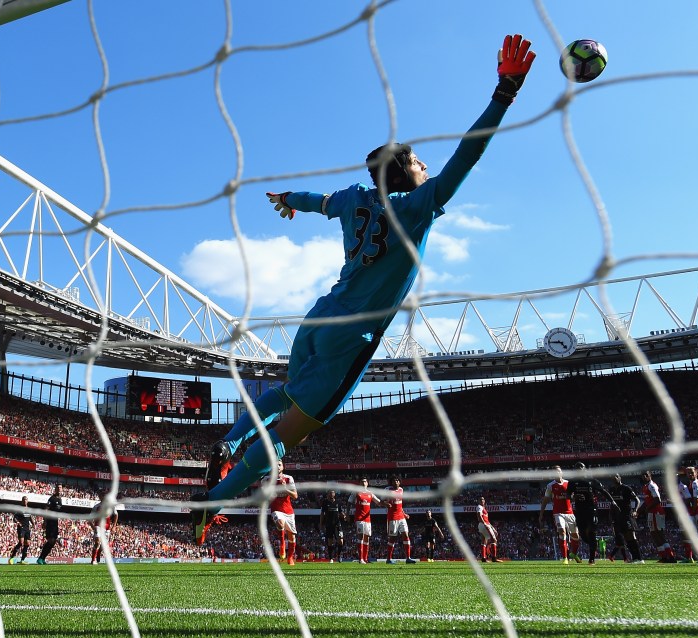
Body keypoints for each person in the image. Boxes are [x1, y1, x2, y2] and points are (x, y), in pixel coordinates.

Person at [191, 33, 537, 544]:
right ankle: (212, 503)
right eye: (420, 163)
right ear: (406, 172)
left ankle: (228, 441)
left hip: (320, 318)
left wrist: (288, 198)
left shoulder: (355, 198)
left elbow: (318, 199)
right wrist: (503, 94)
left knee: (286, 395)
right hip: (351, 338)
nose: (427, 168)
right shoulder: (417, 209)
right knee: (292, 434)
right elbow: (469, 156)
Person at [566, 462, 619, 564]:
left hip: (591, 510)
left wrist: (613, 502)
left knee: (591, 532)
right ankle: (593, 545)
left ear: (585, 469)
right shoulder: (572, 482)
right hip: (580, 510)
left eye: (581, 467)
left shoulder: (592, 480)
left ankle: (592, 559)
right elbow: (568, 496)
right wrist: (574, 497)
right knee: (583, 535)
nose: (579, 468)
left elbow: (603, 491)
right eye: (576, 467)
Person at [539, 466, 581, 564]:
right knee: (562, 532)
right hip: (558, 513)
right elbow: (545, 500)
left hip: (570, 513)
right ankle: (565, 557)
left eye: (558, 471)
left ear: (562, 472)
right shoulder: (550, 486)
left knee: (575, 536)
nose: (557, 473)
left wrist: (575, 497)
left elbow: (572, 498)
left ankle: (574, 554)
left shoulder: (568, 483)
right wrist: (541, 514)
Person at [264, 459, 298, 565]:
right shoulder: (267, 479)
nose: (277, 466)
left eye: (279, 464)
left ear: (282, 467)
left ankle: (290, 557)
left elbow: (295, 496)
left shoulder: (289, 478)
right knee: (280, 522)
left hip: (288, 510)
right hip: (276, 509)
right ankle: (282, 545)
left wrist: (285, 489)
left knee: (292, 537)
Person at [638, 470, 676, 563]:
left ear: (650, 476)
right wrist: (638, 511)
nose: (644, 477)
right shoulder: (646, 487)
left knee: (659, 534)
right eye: (643, 475)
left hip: (657, 512)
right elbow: (647, 502)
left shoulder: (652, 486)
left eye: (646, 475)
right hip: (652, 513)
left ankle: (670, 557)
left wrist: (648, 508)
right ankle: (664, 557)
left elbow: (657, 499)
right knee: (654, 534)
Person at [607, 473, 644, 563]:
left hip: (627, 515)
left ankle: (640, 558)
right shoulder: (611, 490)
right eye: (613, 477)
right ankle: (635, 558)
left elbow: (637, 500)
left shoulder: (626, 488)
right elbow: (612, 506)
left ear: (620, 478)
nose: (614, 478)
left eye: (616, 476)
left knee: (631, 536)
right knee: (626, 539)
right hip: (617, 518)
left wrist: (635, 510)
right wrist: (611, 518)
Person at [348, 476, 380, 564]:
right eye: (362, 481)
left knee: (367, 538)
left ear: (367, 483)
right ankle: (360, 559)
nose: (363, 483)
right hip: (359, 518)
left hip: (367, 519)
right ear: (359, 483)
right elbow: (349, 502)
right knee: (360, 536)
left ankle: (365, 558)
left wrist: (386, 503)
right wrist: (347, 514)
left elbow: (378, 502)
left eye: (365, 481)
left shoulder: (370, 493)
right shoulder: (356, 492)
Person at [384, 476, 416, 564]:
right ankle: (388, 559)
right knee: (392, 538)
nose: (396, 482)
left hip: (401, 517)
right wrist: (386, 504)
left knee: (406, 535)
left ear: (399, 482)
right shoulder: (387, 490)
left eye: (397, 480)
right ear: (391, 482)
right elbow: (383, 501)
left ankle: (408, 558)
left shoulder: (401, 490)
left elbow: (400, 505)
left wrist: (404, 514)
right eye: (394, 480)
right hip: (392, 517)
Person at [37, 484, 62, 565]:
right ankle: (40, 558)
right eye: (58, 488)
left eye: (60, 488)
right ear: (55, 489)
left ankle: (43, 558)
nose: (59, 489)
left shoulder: (60, 499)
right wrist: (45, 521)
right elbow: (46, 509)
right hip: (50, 521)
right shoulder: (52, 498)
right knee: (50, 540)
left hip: (55, 522)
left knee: (53, 541)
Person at [90, 492, 119, 564]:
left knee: (103, 545)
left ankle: (99, 552)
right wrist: (93, 526)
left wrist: (114, 526)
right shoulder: (96, 507)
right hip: (98, 525)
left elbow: (116, 515)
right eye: (101, 496)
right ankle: (93, 560)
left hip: (107, 527)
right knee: (97, 542)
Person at [319, 489, 345, 563]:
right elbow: (322, 514)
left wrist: (344, 515)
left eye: (333, 493)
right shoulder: (325, 502)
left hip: (337, 524)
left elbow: (340, 511)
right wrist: (321, 524)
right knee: (330, 542)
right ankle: (331, 558)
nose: (331, 494)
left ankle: (339, 555)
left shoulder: (338, 502)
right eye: (330, 493)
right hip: (329, 524)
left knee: (341, 541)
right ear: (328, 494)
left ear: (334, 494)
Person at [8, 496, 33, 564]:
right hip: (21, 527)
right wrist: (18, 522)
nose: (25, 501)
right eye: (24, 500)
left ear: (27, 501)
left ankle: (22, 560)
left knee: (27, 543)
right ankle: (12, 557)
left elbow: (30, 517)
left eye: (26, 500)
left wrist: (33, 524)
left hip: (27, 528)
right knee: (21, 542)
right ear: (22, 501)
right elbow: (14, 518)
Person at [476, 496, 500, 563]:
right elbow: (479, 516)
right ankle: (494, 558)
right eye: (480, 499)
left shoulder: (483, 508)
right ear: (478, 501)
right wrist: (484, 524)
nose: (482, 500)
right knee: (494, 539)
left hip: (483, 524)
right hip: (483, 524)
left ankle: (483, 558)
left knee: (484, 541)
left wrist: (493, 528)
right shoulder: (479, 507)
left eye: (483, 499)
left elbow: (487, 520)